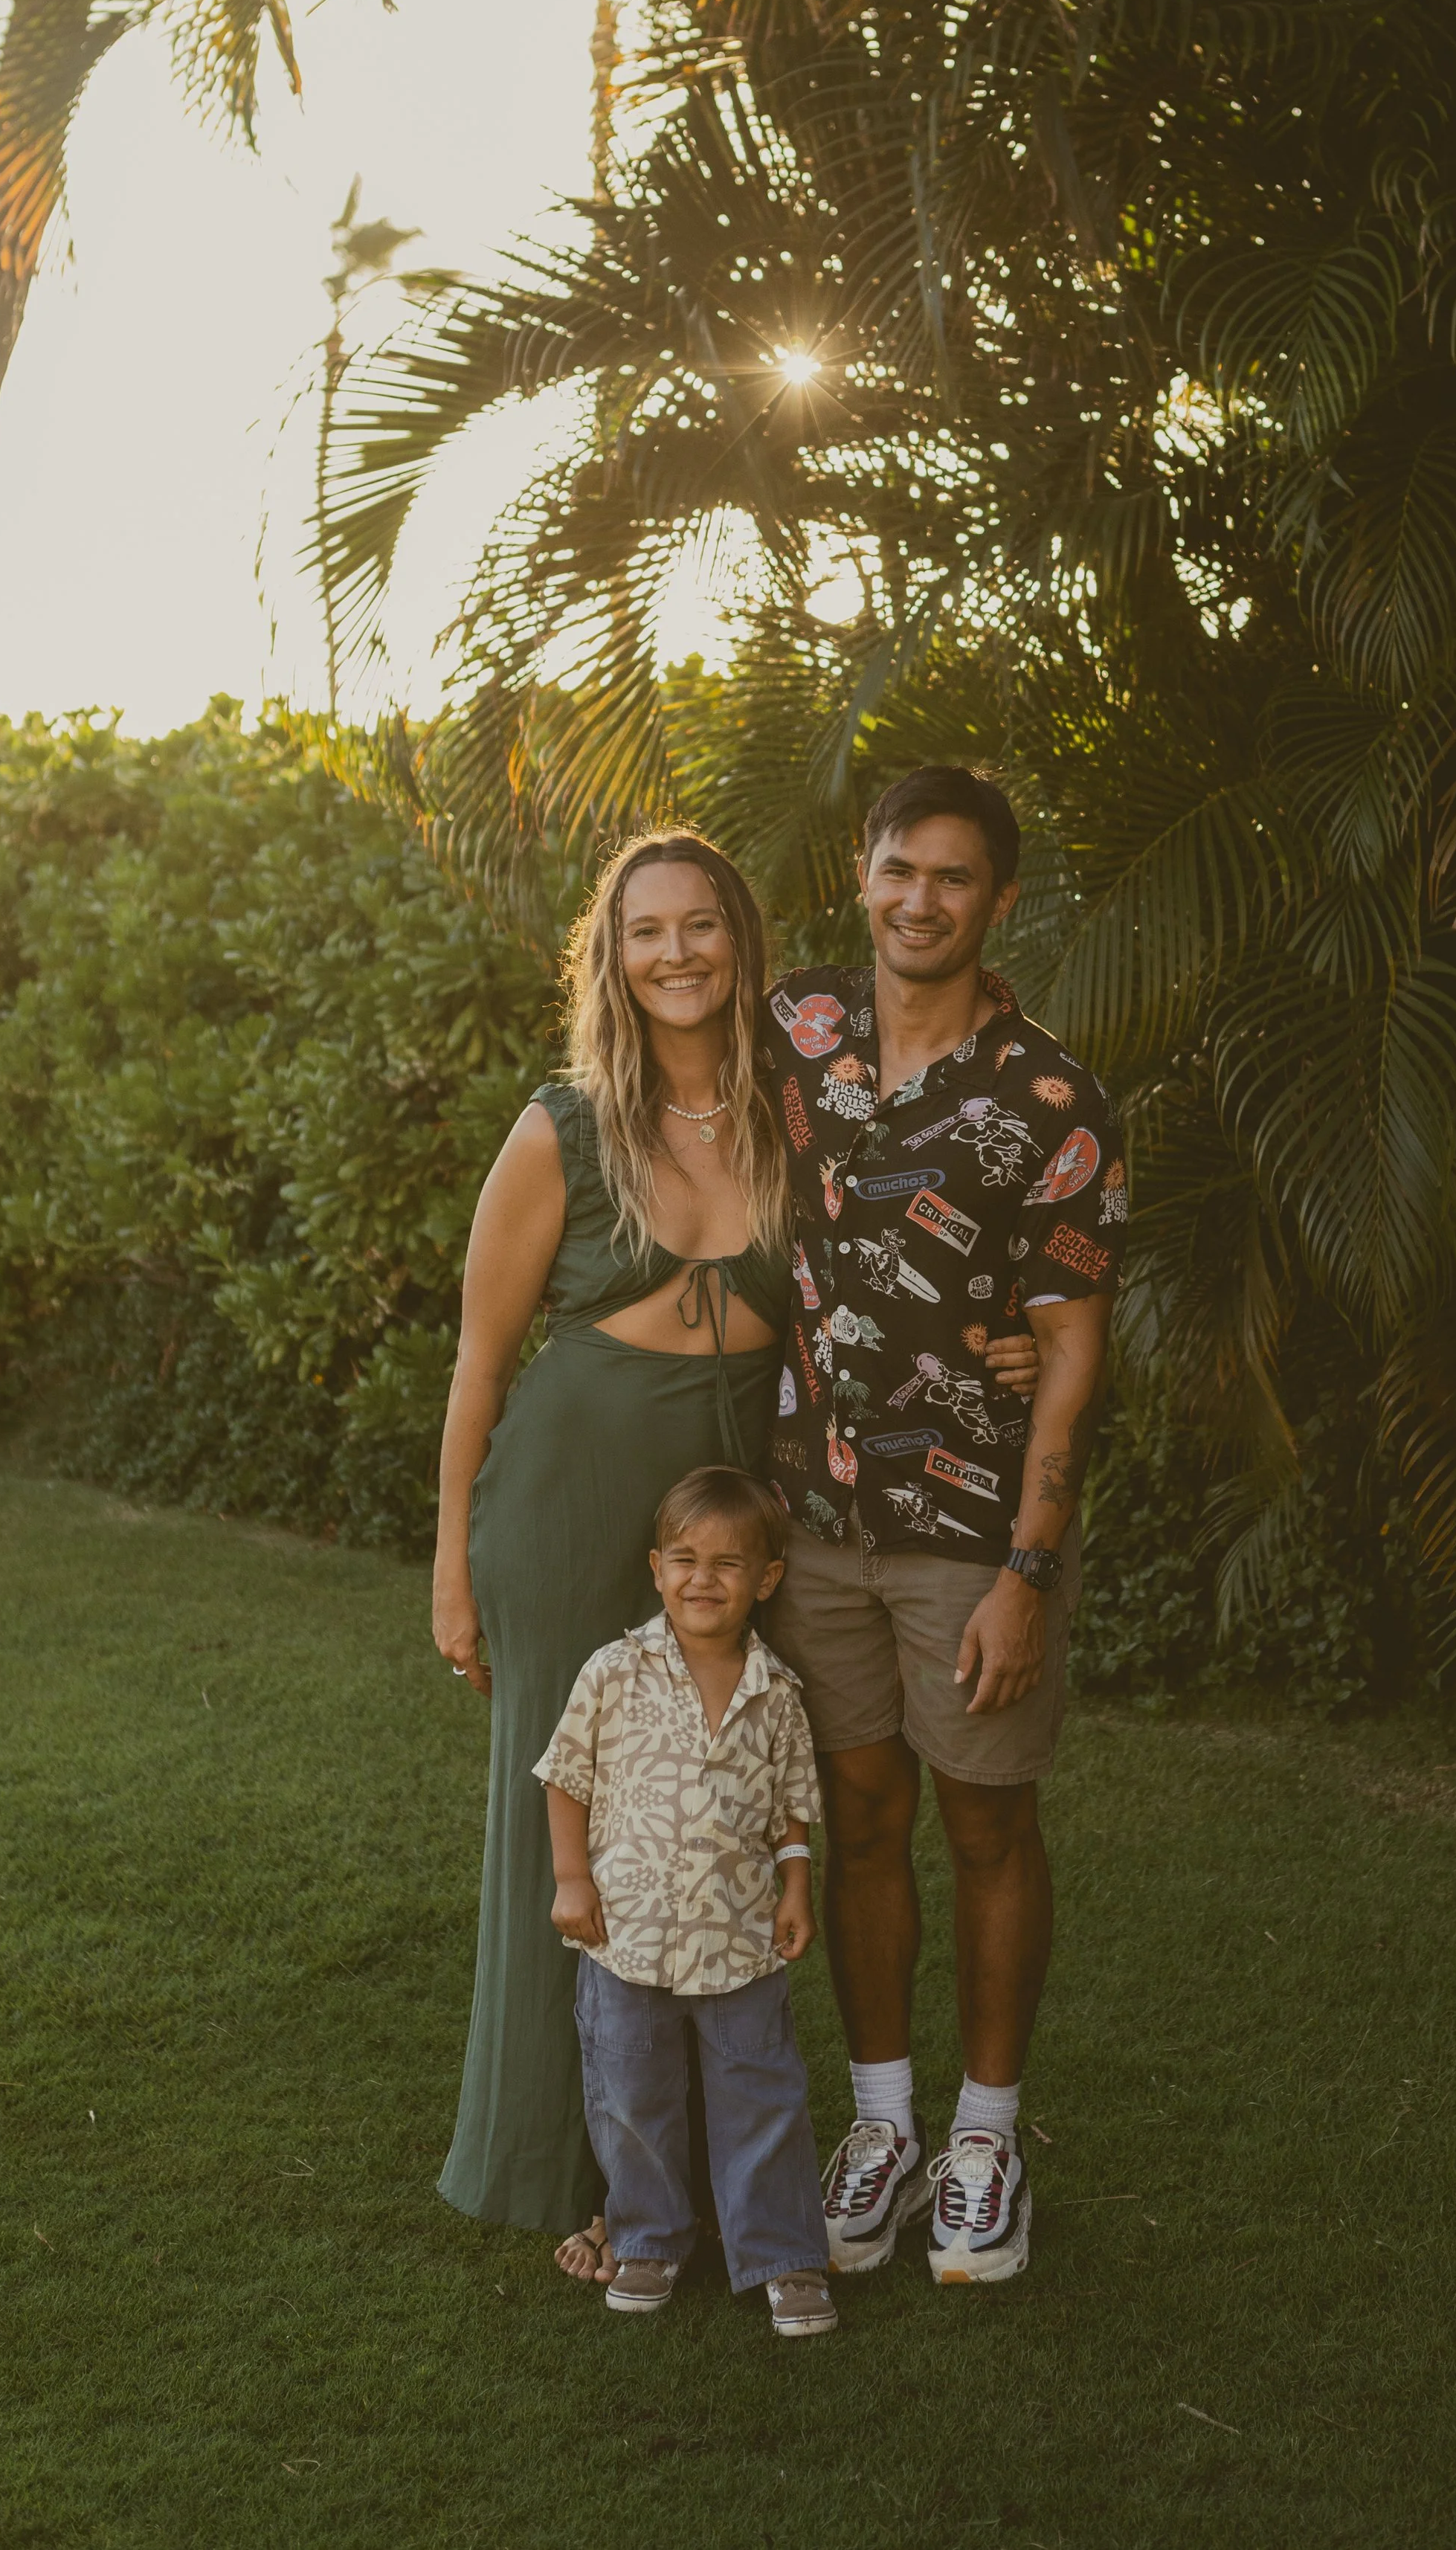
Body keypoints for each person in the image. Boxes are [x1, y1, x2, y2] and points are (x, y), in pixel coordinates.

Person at [430, 826, 1040, 2282]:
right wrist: (452, 1560)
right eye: (646, 932)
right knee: (576, 1819)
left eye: (701, 926)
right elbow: (477, 1356)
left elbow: (952, 1139)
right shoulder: (561, 1127)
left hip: (740, 1517)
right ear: (610, 954)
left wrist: (1009, 1334)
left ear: (742, 944)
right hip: (573, 1500)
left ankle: (703, 2165)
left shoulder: (800, 1111)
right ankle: (564, 2170)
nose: (677, 954)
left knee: (708, 1821)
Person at [761, 764, 1122, 2286]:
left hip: (967, 1526)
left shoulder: (1049, 1097)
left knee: (984, 1822)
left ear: (998, 901)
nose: (919, 898)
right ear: (861, 873)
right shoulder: (790, 1032)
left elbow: (1075, 1352)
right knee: (856, 1820)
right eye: (898, 868)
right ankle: (883, 2124)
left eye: (952, 878)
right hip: (806, 1513)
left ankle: (984, 2134)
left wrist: (1027, 1573)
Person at [536, 1466, 837, 2337]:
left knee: (761, 2092)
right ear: (656, 1568)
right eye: (685, 1559)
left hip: (739, 1938)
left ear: (766, 1579)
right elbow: (566, 1778)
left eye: (728, 1563)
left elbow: (790, 1807)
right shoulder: (614, 1671)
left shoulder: (777, 1693)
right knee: (632, 2093)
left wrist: (795, 1887)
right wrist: (571, 1879)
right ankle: (648, 2239)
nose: (703, 1578)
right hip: (624, 1932)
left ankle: (784, 2256)